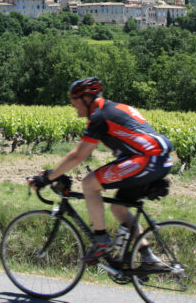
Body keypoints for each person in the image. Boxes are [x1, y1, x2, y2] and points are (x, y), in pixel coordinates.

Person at [28, 77, 173, 264]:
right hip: (158, 159)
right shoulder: (112, 109)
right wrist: (54, 173)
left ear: (87, 99)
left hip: (146, 159)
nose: (73, 106)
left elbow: (78, 155)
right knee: (119, 207)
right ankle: (147, 256)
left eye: (75, 101)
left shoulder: (99, 116)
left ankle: (101, 240)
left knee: (89, 184)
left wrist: (46, 178)